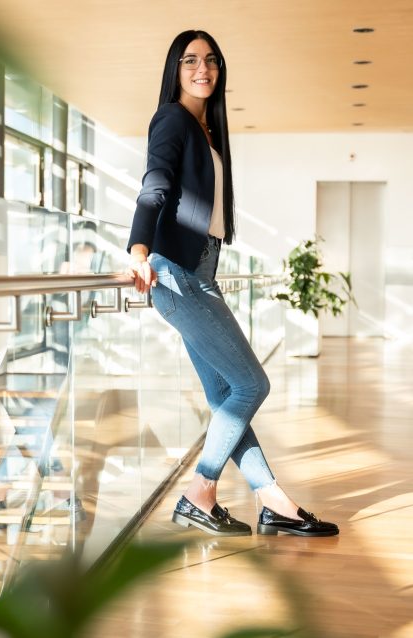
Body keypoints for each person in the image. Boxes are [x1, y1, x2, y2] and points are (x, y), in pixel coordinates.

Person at [127, 29, 338, 538]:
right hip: (175, 274)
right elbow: (155, 183)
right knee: (251, 383)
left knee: (227, 393)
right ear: (175, 69)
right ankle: (200, 489)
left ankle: (272, 500)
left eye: (212, 61)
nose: (203, 69)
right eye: (191, 60)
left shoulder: (208, 131)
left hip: (200, 272)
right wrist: (137, 249)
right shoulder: (172, 119)